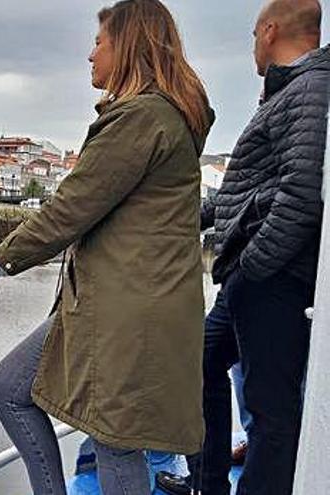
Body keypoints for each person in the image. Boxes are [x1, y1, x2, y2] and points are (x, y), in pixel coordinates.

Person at [0, 0, 213, 493]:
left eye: (99, 43)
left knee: (115, 438)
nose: (90, 56)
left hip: (127, 307)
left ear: (127, 46)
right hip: (117, 302)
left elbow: (70, 209)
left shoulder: (142, 118)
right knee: (12, 387)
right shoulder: (162, 116)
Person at [175, 1, 329, 493]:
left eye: (252, 36)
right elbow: (250, 189)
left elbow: (300, 195)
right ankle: (208, 481)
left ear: (269, 30)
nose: (252, 48)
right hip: (255, 277)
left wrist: (252, 266)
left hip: (272, 280)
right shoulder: (290, 92)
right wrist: (181, 218)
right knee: (199, 362)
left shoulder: (308, 89)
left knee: (271, 412)